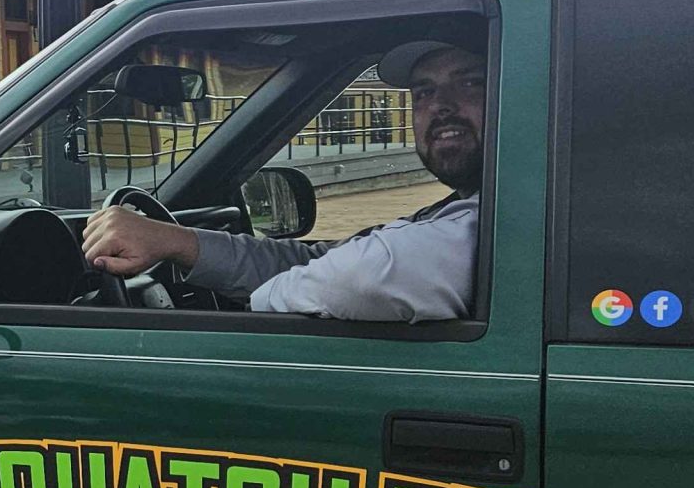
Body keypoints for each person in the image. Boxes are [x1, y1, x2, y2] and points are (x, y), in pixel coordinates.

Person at [80, 42, 486, 321]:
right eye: (424, 92)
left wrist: (252, 316)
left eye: (471, 82)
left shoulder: (483, 229)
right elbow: (318, 265)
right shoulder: (457, 208)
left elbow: (363, 276)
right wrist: (176, 242)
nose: (441, 106)